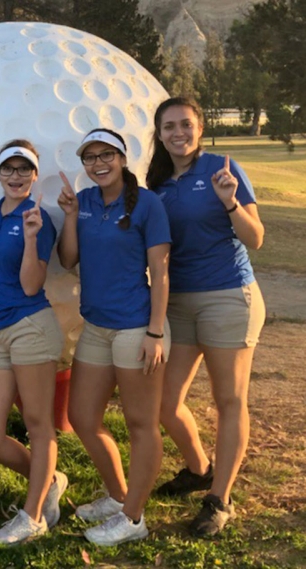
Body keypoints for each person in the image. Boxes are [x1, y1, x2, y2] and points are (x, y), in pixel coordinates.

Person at [146, 97, 265, 537]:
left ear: (199, 128)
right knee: (163, 403)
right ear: (159, 134)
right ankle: (198, 468)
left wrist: (230, 202)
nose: (179, 132)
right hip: (177, 301)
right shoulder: (156, 181)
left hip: (227, 296)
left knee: (228, 400)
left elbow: (256, 239)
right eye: (170, 126)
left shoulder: (221, 168)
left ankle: (219, 498)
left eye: (187, 124)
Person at [57, 128, 171, 546]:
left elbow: (160, 272)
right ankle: (119, 496)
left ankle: (134, 517)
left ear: (122, 159)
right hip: (98, 327)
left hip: (137, 327)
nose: (99, 164)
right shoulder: (83, 202)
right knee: (83, 417)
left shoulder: (148, 204)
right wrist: (69, 216)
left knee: (141, 424)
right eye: (90, 158)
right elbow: (68, 259)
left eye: (107, 155)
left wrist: (155, 331)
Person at [0, 140, 67, 546]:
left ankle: (33, 516)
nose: (15, 176)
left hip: (32, 327)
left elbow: (31, 285)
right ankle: (48, 480)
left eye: (23, 169)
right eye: (8, 169)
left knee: (38, 424)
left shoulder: (39, 218)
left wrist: (30, 238)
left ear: (34, 175)